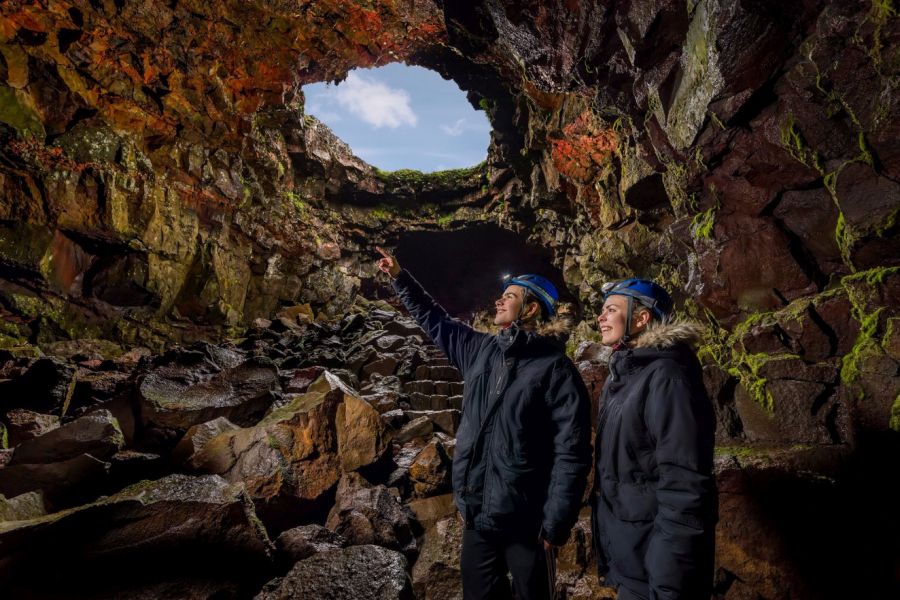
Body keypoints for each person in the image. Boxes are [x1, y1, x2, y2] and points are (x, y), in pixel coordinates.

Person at [376, 246, 591, 600]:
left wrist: (557, 522)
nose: (498, 302)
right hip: (478, 517)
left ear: (531, 308)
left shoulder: (556, 371)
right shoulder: (480, 351)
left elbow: (573, 452)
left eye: (509, 297)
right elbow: (434, 319)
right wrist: (400, 276)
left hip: (528, 523)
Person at [591, 278, 718, 600]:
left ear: (641, 317)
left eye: (611, 310)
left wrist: (668, 582)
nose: (600, 317)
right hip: (631, 557)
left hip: (657, 569)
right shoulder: (624, 377)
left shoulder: (668, 378)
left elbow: (684, 484)